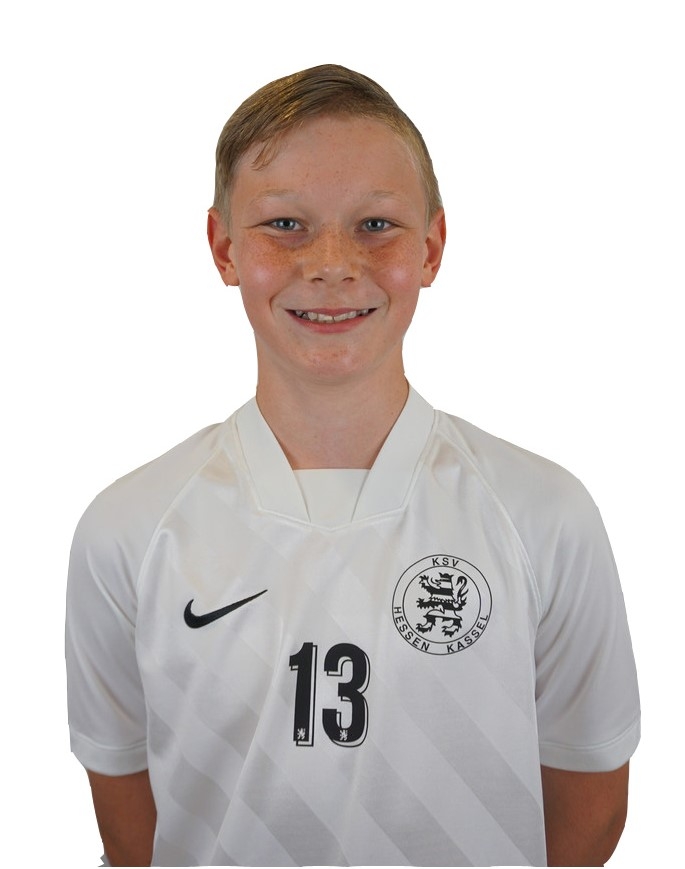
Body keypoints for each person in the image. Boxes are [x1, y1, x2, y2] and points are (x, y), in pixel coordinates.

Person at [66, 64, 640, 867]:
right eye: (284, 224)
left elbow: (590, 806)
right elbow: (131, 823)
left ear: (430, 248)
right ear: (224, 247)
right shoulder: (128, 529)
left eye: (375, 224)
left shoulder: (543, 514)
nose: (332, 262)